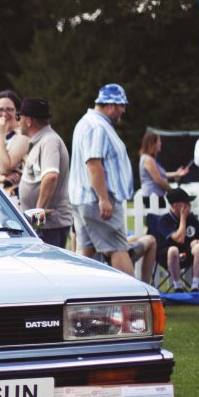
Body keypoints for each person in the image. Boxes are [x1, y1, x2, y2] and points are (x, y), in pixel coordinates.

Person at [68, 83, 136, 277]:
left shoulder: (86, 122)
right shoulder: (97, 127)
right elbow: (93, 163)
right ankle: (133, 300)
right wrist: (104, 198)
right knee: (117, 247)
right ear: (111, 106)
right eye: (122, 106)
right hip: (97, 200)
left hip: (83, 199)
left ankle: (80, 297)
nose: (123, 110)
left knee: (85, 253)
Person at [17, 97, 71, 249]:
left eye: (19, 117)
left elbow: (51, 176)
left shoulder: (49, 141)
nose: (17, 121)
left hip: (49, 226)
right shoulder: (42, 141)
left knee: (49, 269)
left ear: (29, 121)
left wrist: (36, 217)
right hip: (45, 226)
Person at [155, 187, 199, 292]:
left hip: (186, 254)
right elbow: (179, 239)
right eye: (185, 202)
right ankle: (178, 287)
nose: (189, 205)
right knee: (173, 250)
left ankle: (195, 286)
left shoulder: (190, 218)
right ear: (175, 205)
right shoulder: (165, 220)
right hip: (167, 256)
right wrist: (182, 218)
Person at [0, 89, 30, 196]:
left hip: (15, 196)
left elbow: (4, 168)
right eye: (0, 110)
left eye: (9, 109)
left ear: (17, 111)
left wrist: (1, 136)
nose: (4, 114)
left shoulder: (22, 135)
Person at [139, 131, 189, 204]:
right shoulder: (148, 159)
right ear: (153, 143)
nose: (160, 143)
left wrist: (176, 174)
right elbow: (158, 179)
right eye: (159, 141)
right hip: (153, 197)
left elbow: (160, 174)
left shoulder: (151, 158)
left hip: (156, 196)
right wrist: (172, 191)